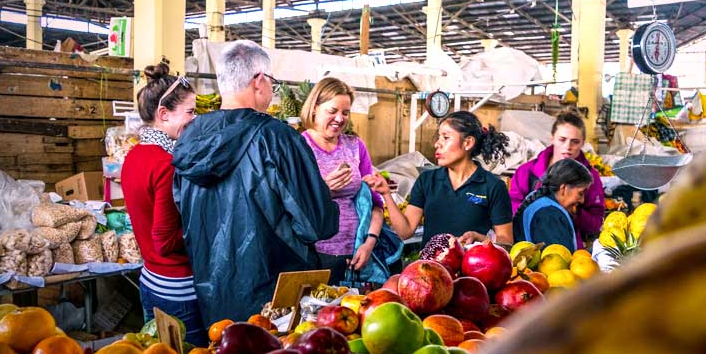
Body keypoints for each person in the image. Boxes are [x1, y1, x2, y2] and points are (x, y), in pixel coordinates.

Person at [172, 41, 339, 324]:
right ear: (259, 81)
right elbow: (317, 224)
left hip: (214, 294)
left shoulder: (189, 138)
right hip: (275, 300)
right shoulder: (277, 138)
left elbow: (183, 209)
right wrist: (322, 193)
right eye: (271, 81)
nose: (272, 89)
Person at [120, 60, 207, 345]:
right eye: (190, 112)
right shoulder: (166, 164)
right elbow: (166, 239)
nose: (195, 119)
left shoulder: (134, 155)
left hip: (150, 280)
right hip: (177, 289)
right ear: (164, 114)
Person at [368, 111, 513, 246]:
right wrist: (386, 194)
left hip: (473, 270)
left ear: (468, 143)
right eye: (438, 137)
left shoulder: (493, 186)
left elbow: (506, 242)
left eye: (446, 137)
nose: (437, 144)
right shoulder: (426, 181)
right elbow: (405, 232)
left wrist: (481, 239)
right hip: (431, 269)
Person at [300, 77, 385, 284]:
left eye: (345, 112)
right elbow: (291, 206)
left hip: (356, 254)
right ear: (314, 109)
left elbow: (375, 203)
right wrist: (324, 191)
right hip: (315, 256)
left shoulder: (355, 146)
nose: (340, 118)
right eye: (332, 111)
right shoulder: (299, 146)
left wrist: (369, 243)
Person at [509, 110, 605, 249]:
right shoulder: (526, 172)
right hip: (528, 248)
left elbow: (595, 223)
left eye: (575, 141)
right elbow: (512, 210)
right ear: (552, 138)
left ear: (583, 143)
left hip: (568, 247)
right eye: (562, 139)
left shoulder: (591, 177)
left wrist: (572, 209)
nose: (568, 146)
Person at [512, 158, 593, 252]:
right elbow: (559, 259)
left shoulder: (543, 202)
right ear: (564, 188)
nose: (582, 200)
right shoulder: (549, 215)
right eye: (580, 193)